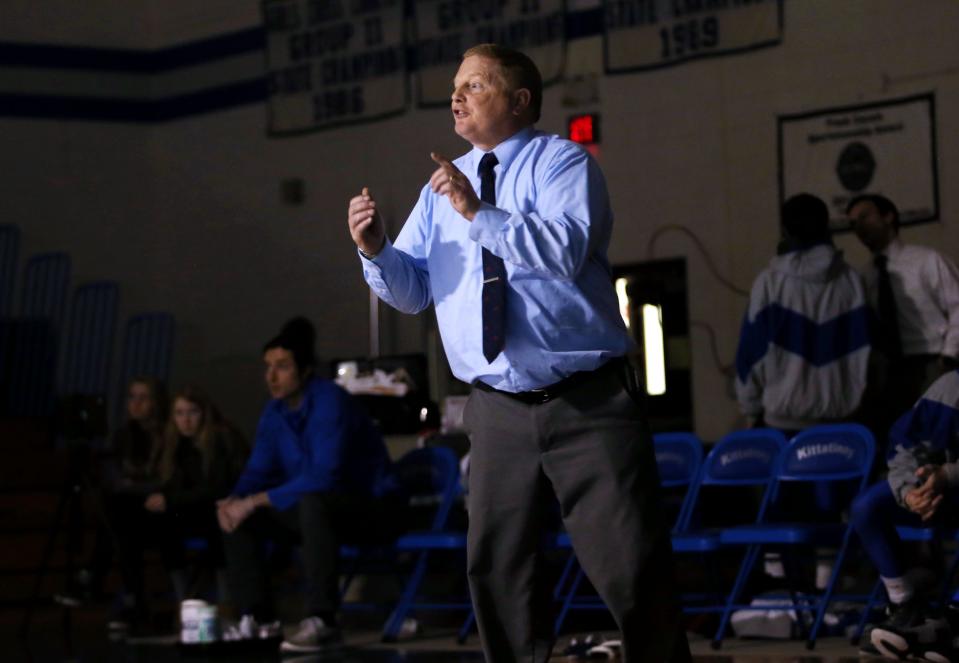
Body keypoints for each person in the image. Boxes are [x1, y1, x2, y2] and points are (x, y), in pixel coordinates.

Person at [347, 43, 690, 662]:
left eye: (475, 86)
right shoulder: (438, 189)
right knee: (498, 567)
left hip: (587, 402)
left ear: (520, 100)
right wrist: (375, 251)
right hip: (496, 408)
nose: (456, 97)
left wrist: (477, 211)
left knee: (630, 562)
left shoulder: (563, 165)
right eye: (456, 86)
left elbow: (563, 252)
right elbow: (414, 291)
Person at [218, 317, 405, 653]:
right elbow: (258, 469)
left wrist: (255, 500)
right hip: (315, 512)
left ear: (304, 371)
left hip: (371, 508)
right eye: (268, 367)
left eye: (282, 367)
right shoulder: (274, 411)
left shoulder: (330, 401)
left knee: (312, 502)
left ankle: (324, 620)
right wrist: (235, 500)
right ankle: (259, 619)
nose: (271, 377)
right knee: (241, 517)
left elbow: (324, 476)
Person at [111, 385, 247, 630]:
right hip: (191, 508)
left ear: (204, 413)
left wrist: (170, 499)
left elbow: (217, 489)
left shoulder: (220, 438)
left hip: (224, 507)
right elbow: (175, 484)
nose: (185, 420)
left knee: (214, 521)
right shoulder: (176, 444)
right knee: (137, 519)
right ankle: (176, 598)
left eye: (192, 412)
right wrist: (163, 497)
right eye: (179, 413)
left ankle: (225, 599)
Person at [735, 193, 871, 434]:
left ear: (786, 230)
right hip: (844, 423)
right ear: (825, 226)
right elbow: (869, 350)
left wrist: (750, 409)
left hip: (783, 424)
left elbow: (750, 352)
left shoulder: (769, 283)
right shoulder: (851, 280)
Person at [850, 369, 959, 660]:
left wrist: (948, 475)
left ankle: (953, 617)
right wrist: (910, 491)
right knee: (867, 506)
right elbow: (906, 443)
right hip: (941, 489)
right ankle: (905, 607)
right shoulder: (951, 386)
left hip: (950, 481)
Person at [847, 194, 959, 450]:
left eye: (865, 217)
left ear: (889, 216)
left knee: (940, 441)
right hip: (890, 371)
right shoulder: (864, 277)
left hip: (932, 361)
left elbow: (957, 306)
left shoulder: (927, 261)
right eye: (853, 223)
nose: (859, 227)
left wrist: (948, 356)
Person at [59, 378, 168, 613]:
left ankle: (94, 578)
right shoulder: (123, 434)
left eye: (143, 398)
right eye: (132, 397)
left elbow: (163, 480)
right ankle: (131, 594)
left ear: (155, 403)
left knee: (118, 515)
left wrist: (132, 485)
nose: (136, 403)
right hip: (128, 510)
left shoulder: (165, 435)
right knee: (119, 519)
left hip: (158, 509)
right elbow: (114, 475)